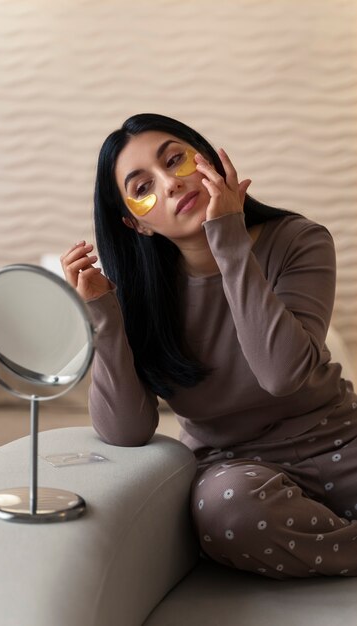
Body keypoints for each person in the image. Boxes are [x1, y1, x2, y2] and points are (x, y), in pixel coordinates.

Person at [60, 113, 357, 579]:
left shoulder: (299, 240)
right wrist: (104, 318)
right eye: (142, 188)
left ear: (208, 160)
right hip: (237, 470)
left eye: (175, 160)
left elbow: (283, 372)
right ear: (136, 225)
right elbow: (126, 432)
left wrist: (230, 241)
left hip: (340, 439)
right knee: (226, 513)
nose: (171, 184)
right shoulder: (140, 296)